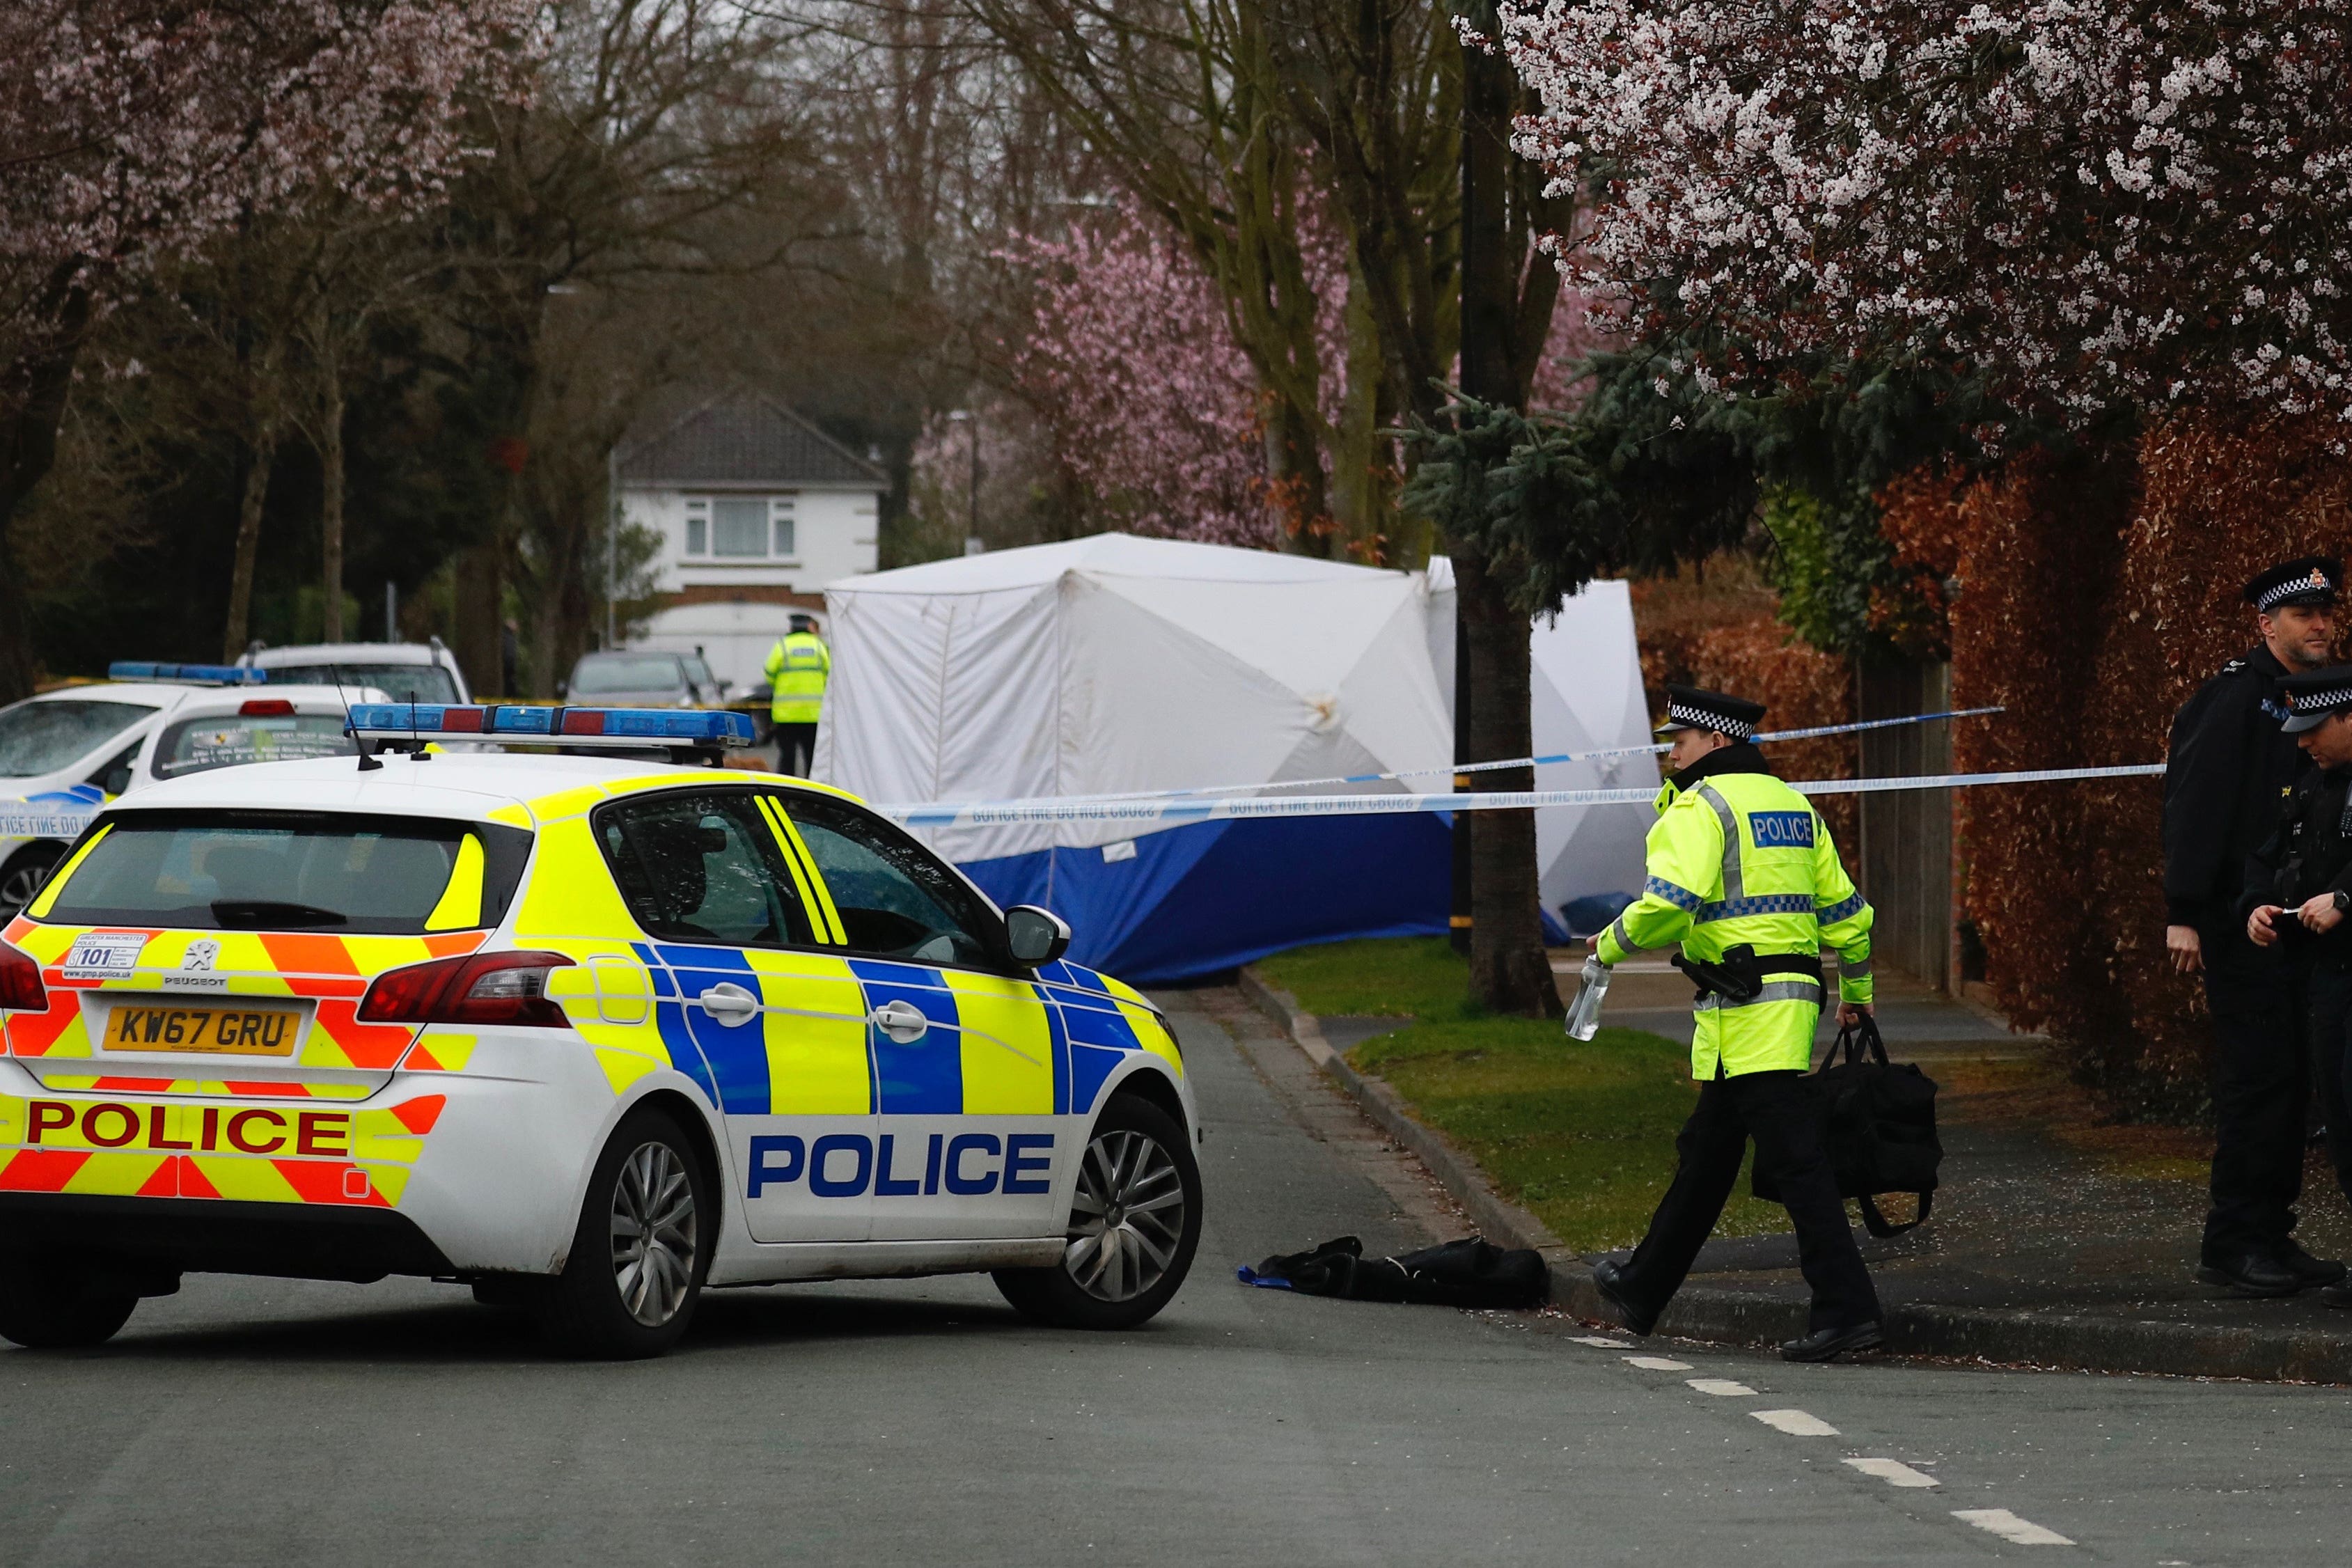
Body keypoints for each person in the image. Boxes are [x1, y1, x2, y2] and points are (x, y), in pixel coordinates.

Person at [1585, 684, 1885, 1363]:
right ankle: (1643, 1285)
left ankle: (1848, 1309)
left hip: (1747, 1007)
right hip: (1783, 1001)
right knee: (1708, 1152)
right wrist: (1858, 993)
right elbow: (1852, 918)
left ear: (1716, 742)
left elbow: (1669, 904)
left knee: (1798, 1162)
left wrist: (1607, 945)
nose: (1672, 753)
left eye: (1680, 740)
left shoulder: (1701, 807)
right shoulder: (1795, 806)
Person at [2164, 556, 2342, 1296]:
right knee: (2258, 1084)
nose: (2322, 623)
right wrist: (2183, 911)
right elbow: (2195, 804)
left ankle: (2271, 1232)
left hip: (2304, 922)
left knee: (2295, 1084)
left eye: (2328, 610)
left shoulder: (2330, 696)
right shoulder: (2235, 698)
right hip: (2241, 923)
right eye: (2304, 614)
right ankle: (2234, 1241)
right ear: (2267, 623)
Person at [2239, 666, 2352, 1302]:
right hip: (2328, 978)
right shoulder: (2311, 786)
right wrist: (2257, 906)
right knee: (2340, 1121)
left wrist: (2344, 896)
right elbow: (2267, 855)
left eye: (2314, 730)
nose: (2302, 742)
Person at [765, 612, 831, 776]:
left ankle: (787, 797)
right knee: (812, 758)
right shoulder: (819, 646)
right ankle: (812, 796)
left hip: (786, 715)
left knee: (787, 757)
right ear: (809, 626)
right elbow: (829, 674)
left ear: (791, 627)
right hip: (813, 715)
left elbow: (769, 673)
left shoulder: (783, 646)